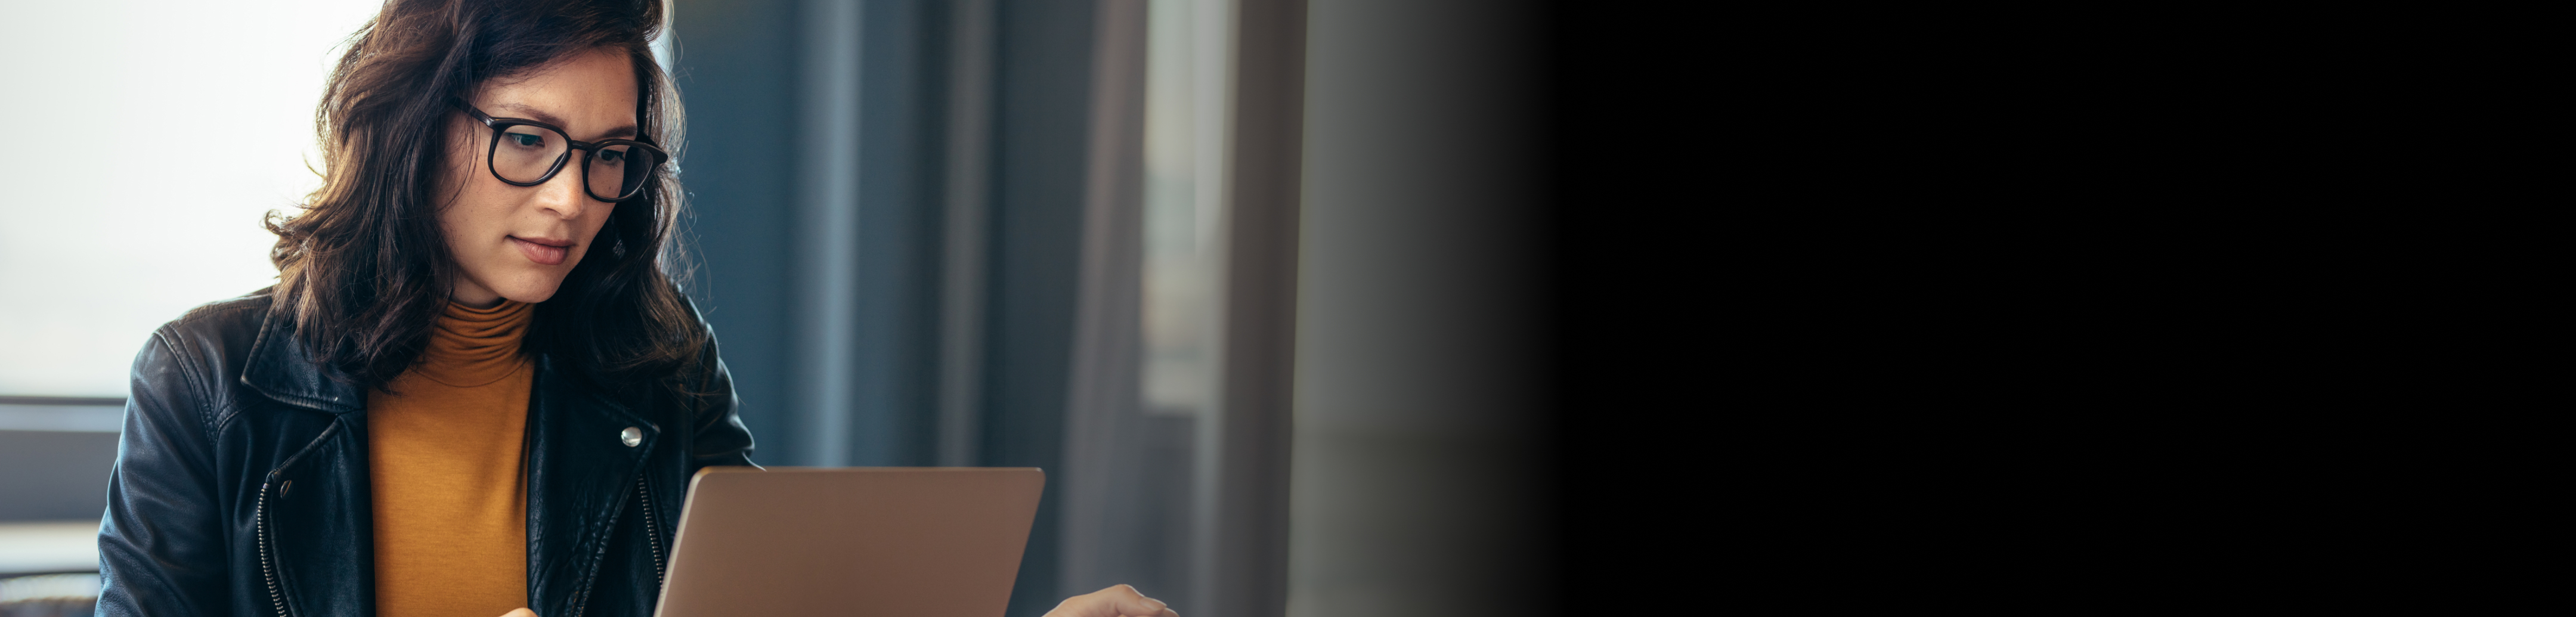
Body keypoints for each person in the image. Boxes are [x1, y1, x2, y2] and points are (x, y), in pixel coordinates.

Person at [92, 1, 1175, 616]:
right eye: (527, 140)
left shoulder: (656, 362)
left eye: (609, 155)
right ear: (411, 130)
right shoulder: (209, 381)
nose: (572, 200)